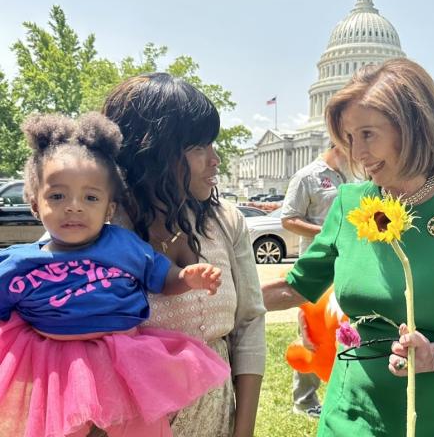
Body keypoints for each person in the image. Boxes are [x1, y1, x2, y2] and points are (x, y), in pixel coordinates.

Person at [262, 58, 434, 436]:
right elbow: (295, 287)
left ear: (414, 127)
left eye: (367, 134)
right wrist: (203, 297)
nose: (356, 154)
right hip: (352, 415)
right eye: (348, 138)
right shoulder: (349, 203)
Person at [0, 113, 231, 437]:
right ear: (35, 204)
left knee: (140, 430)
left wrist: (188, 278)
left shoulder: (123, 245)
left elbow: (161, 277)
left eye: (91, 197)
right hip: (54, 370)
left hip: (124, 359)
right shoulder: (16, 264)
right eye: (57, 196)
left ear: (109, 209)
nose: (74, 206)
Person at [102, 73, 266, 437]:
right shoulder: (100, 229)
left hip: (216, 418)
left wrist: (244, 431)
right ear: (152, 153)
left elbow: (249, 324)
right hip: (129, 424)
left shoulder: (226, 222)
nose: (216, 159)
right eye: (198, 147)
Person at [281, 143, 347, 418]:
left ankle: (338, 393)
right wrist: (327, 231)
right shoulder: (307, 176)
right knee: (311, 332)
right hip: (316, 267)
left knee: (342, 329)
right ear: (341, 144)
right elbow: (288, 219)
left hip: (345, 263)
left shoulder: (353, 176)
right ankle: (304, 401)